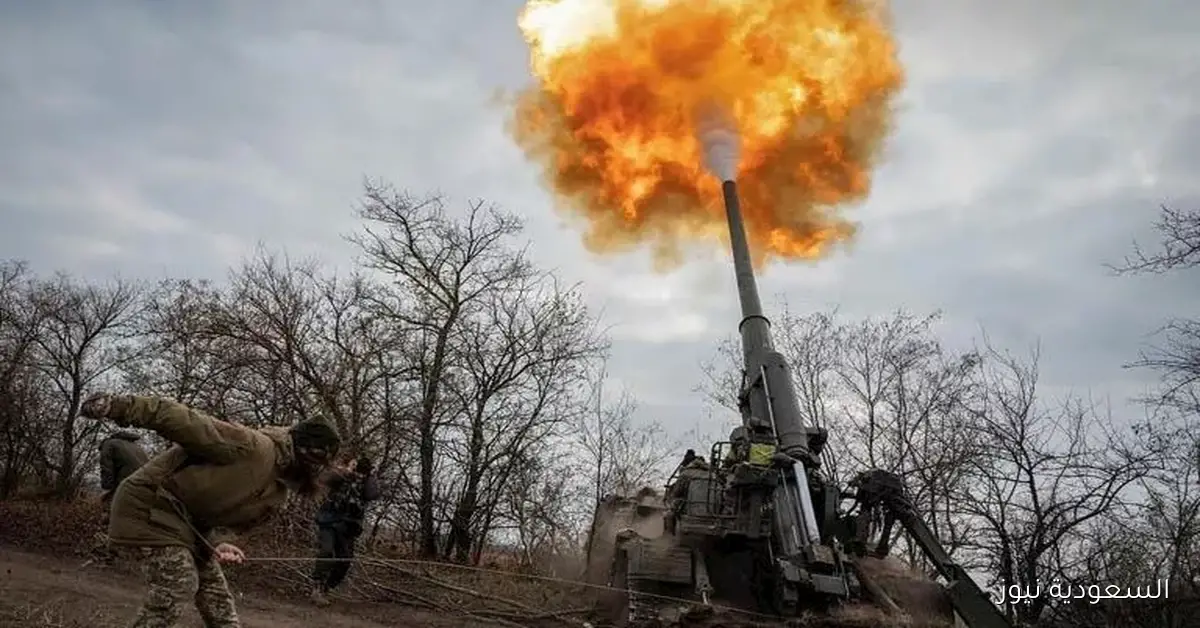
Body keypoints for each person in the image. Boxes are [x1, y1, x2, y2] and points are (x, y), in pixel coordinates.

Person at [79, 392, 341, 628]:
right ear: (308, 454)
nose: (319, 474)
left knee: (218, 599)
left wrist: (220, 542)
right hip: (150, 504)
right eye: (319, 465)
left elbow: (227, 523)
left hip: (188, 526)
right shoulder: (253, 447)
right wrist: (119, 406)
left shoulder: (276, 494)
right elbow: (183, 420)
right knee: (179, 584)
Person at [310, 454, 380, 606]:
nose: (357, 471)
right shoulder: (341, 476)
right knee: (326, 551)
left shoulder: (366, 482)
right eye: (355, 466)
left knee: (345, 560)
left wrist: (369, 475)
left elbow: (372, 494)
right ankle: (317, 587)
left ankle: (326, 588)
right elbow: (325, 478)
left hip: (348, 526)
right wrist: (348, 470)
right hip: (329, 521)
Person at [93, 429, 150, 564]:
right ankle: (143, 555)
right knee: (137, 520)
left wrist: (107, 489)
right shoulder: (137, 447)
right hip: (144, 488)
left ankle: (103, 554)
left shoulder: (108, 445)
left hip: (126, 486)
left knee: (108, 516)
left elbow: (106, 468)